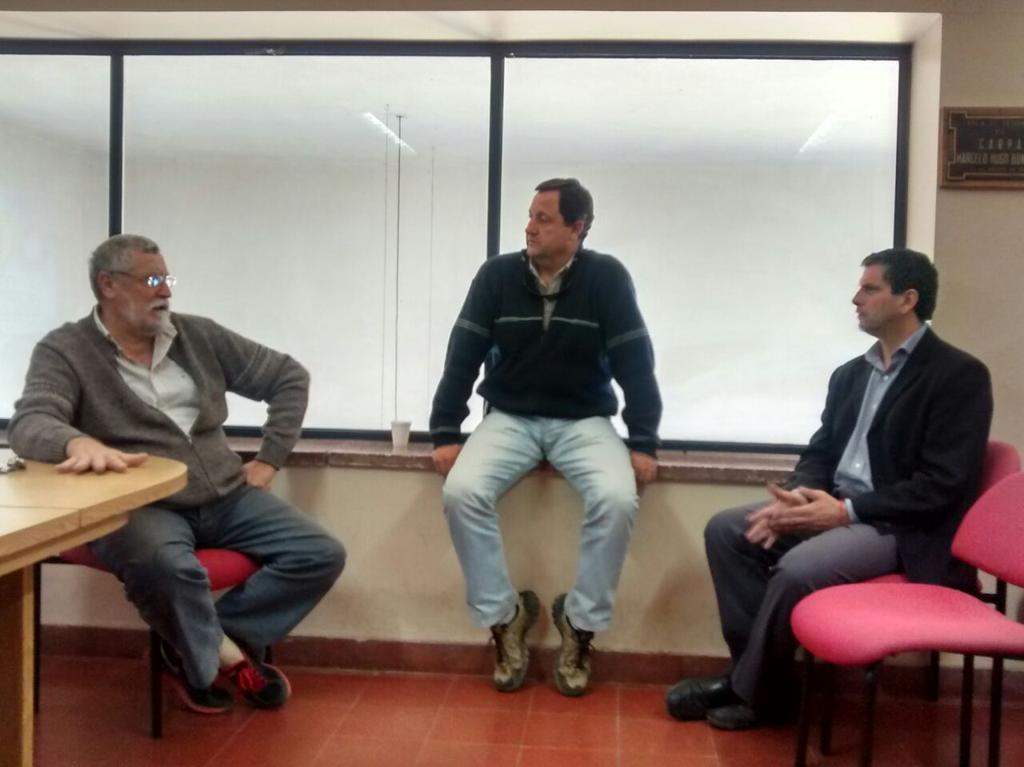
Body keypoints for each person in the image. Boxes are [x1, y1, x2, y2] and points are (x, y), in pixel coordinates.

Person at [9, 234, 346, 714]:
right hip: (137, 504)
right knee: (167, 568)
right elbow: (30, 422)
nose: (165, 291)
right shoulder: (65, 349)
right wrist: (75, 441)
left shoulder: (198, 335)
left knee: (319, 553)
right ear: (108, 285)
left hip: (226, 495)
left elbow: (288, 378)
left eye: (167, 279)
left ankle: (195, 648)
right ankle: (222, 659)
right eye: (152, 280)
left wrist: (270, 458)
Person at [666, 248, 993, 730]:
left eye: (869, 288)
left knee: (798, 569)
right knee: (728, 531)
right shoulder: (850, 375)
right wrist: (802, 495)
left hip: (900, 528)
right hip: (837, 507)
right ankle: (764, 682)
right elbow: (820, 453)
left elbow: (942, 486)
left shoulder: (958, 375)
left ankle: (749, 690)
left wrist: (846, 512)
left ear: (908, 299)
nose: (856, 298)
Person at [430, 178, 662, 696]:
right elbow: (462, 354)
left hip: (584, 420)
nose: (530, 228)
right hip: (509, 417)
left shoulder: (606, 278)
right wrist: (446, 429)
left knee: (617, 498)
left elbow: (635, 361)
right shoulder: (496, 276)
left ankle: (579, 623)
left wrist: (644, 441)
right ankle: (505, 617)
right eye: (530, 216)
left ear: (577, 228)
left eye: (544, 219)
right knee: (462, 492)